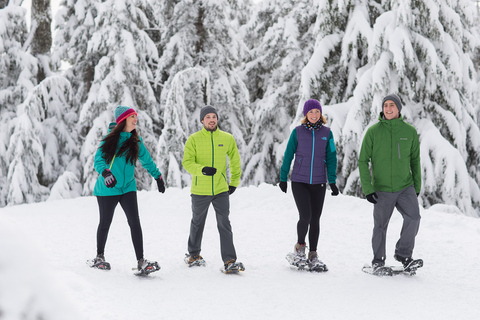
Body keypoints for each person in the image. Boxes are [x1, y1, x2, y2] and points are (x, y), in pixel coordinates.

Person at [89, 105, 165, 275]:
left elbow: (146, 160)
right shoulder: (109, 139)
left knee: (134, 221)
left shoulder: (135, 141)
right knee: (105, 222)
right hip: (108, 188)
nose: (135, 119)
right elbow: (98, 159)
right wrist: (106, 172)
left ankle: (141, 261)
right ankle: (99, 256)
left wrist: (157, 176)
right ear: (123, 120)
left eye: (135, 116)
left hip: (128, 187)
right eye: (132, 117)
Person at [358, 94, 422, 272]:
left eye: (392, 105)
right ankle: (378, 260)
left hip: (405, 187)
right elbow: (363, 161)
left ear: (398, 109)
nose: (388, 108)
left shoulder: (409, 132)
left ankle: (403, 254)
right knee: (380, 226)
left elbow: (415, 160)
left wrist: (416, 186)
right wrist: (368, 188)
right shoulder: (373, 132)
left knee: (414, 217)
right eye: (385, 105)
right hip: (382, 189)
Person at [182, 105, 244, 273]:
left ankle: (230, 260)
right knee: (197, 222)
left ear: (217, 119)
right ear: (202, 120)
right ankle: (193, 254)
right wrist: (201, 170)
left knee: (224, 223)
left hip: (220, 189)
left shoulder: (227, 138)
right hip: (200, 190)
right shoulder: (194, 139)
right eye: (208, 117)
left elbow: (235, 161)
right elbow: (187, 162)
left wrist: (234, 182)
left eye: (214, 117)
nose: (211, 120)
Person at [279, 99, 338, 271]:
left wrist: (332, 181)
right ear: (306, 114)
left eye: (317, 112)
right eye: (310, 112)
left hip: (319, 182)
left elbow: (332, 157)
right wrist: (283, 178)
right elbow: (288, 154)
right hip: (299, 181)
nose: (314, 115)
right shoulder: (297, 132)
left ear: (321, 114)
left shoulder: (327, 133)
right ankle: (300, 248)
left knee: (315, 219)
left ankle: (313, 254)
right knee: (305, 216)